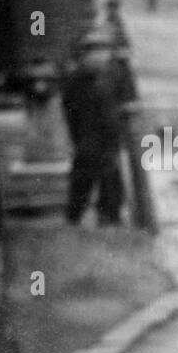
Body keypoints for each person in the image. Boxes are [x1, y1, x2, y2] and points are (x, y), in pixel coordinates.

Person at [61, 30, 126, 226]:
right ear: (85, 55)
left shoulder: (111, 76)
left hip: (107, 139)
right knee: (83, 180)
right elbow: (70, 110)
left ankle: (109, 217)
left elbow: (118, 106)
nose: (101, 57)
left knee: (111, 182)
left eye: (104, 51)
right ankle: (75, 217)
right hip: (88, 138)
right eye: (95, 52)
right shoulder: (77, 80)